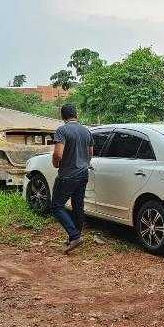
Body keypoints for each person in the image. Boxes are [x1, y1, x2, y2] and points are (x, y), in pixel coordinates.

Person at [51, 104, 93, 255]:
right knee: (78, 206)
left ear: (63, 117)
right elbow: (90, 153)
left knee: (56, 206)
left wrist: (56, 163)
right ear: (76, 115)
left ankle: (75, 236)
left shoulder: (62, 130)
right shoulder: (86, 131)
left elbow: (58, 154)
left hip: (68, 175)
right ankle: (75, 236)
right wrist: (83, 164)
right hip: (83, 174)